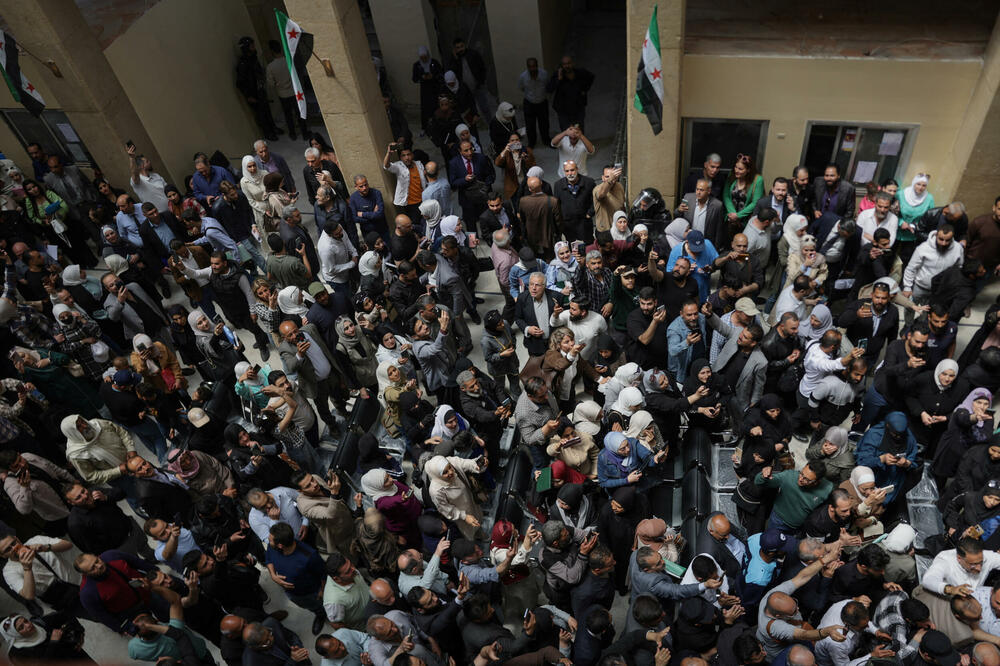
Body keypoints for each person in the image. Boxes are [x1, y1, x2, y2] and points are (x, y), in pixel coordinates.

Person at [265, 40, 309, 139]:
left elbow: (271, 83)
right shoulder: (289, 61)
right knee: (299, 112)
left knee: (288, 114)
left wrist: (278, 84)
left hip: (282, 94)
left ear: (271, 51)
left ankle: (292, 134)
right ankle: (305, 133)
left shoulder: (270, 67)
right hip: (294, 91)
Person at [553, 160, 596, 244]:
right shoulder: (558, 185)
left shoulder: (589, 182)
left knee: (587, 245)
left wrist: (590, 213)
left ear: (577, 169)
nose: (570, 173)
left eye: (572, 170)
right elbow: (556, 204)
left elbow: (595, 201)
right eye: (567, 171)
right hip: (568, 225)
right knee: (572, 247)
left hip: (584, 222)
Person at [547, 56, 595, 130]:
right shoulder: (557, 75)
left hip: (578, 108)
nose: (567, 66)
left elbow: (591, 77)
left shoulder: (580, 72)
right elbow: (549, 89)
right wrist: (558, 79)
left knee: (579, 130)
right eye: (564, 64)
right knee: (567, 131)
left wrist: (585, 90)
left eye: (568, 63)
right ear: (562, 65)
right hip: (564, 110)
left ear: (572, 63)